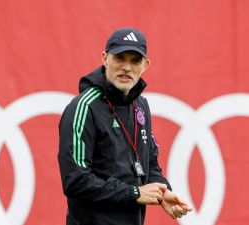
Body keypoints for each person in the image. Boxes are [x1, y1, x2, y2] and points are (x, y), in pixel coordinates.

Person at [58, 27, 192, 225]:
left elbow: (149, 164)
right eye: (120, 58)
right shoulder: (84, 107)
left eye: (135, 60)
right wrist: (134, 192)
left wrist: (162, 191)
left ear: (145, 65)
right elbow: (76, 180)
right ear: (105, 59)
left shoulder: (141, 105)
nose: (127, 68)